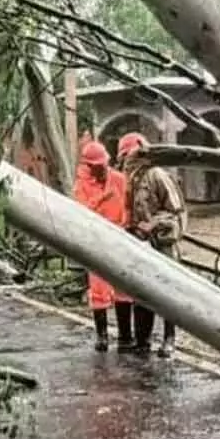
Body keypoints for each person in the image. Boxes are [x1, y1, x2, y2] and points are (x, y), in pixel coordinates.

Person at [117, 132, 186, 358]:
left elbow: (177, 212)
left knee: (167, 292)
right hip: (139, 242)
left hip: (162, 241)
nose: (126, 161)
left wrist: (153, 223)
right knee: (141, 291)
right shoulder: (128, 180)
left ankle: (169, 338)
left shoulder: (157, 175)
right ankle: (143, 340)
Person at [73, 140, 132, 352]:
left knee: (123, 287)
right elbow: (81, 212)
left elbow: (129, 203)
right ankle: (102, 336)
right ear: (89, 166)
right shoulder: (82, 185)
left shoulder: (119, 179)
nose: (102, 168)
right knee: (98, 289)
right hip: (96, 239)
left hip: (120, 235)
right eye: (97, 166)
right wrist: (101, 197)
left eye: (104, 164)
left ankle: (126, 337)